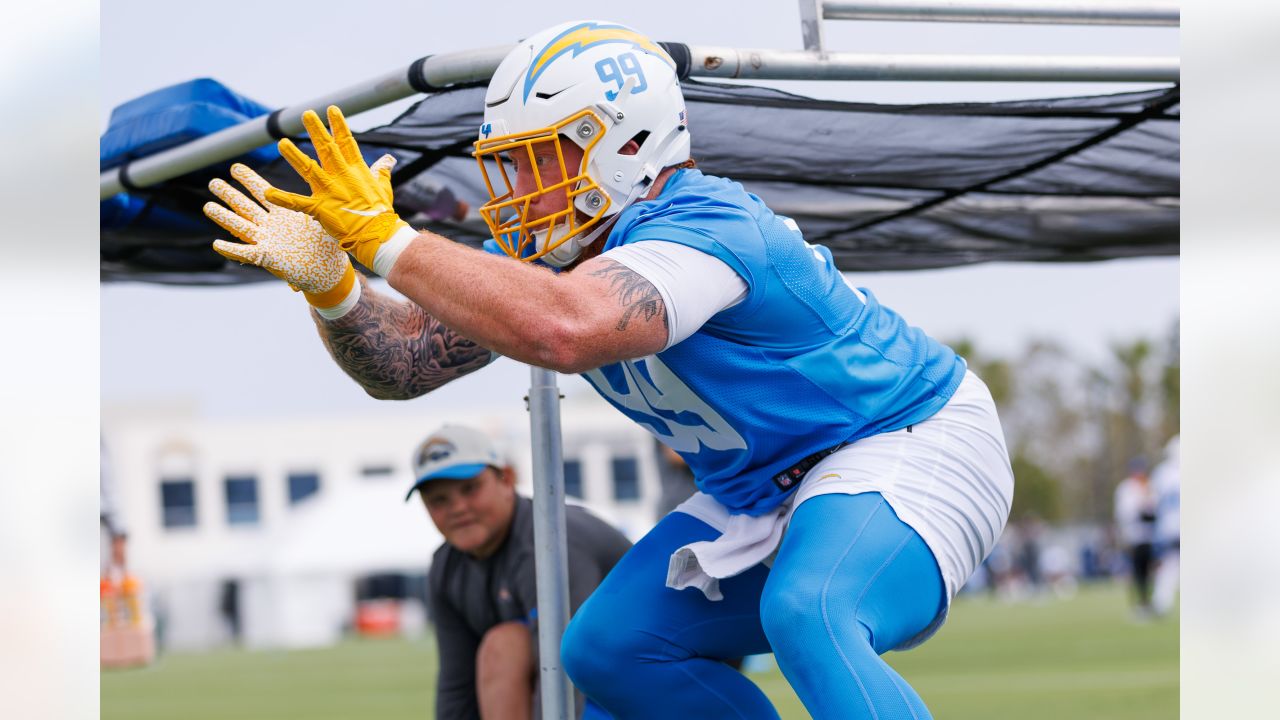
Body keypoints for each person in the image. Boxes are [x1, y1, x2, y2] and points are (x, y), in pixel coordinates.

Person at [203, 20, 1014, 719]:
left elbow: (567, 329)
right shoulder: (558, 252)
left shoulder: (709, 226)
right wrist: (337, 289)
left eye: (540, 157)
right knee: (611, 648)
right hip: (761, 488)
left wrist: (390, 243)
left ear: (624, 143)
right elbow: (405, 364)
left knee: (812, 610)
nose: (518, 185)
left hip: (904, 437)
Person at [409, 425, 631, 720]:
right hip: (590, 687)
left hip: (640, 690)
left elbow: (568, 672)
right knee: (504, 646)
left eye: (470, 488)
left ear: (507, 479)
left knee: (505, 646)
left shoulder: (554, 542)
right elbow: (456, 684)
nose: (458, 508)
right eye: (439, 500)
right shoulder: (446, 567)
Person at [1113, 455, 1157, 618]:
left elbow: (1154, 510)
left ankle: (1148, 602)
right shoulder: (1126, 489)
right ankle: (1138, 604)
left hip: (1149, 537)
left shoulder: (1150, 487)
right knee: (1135, 572)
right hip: (1133, 537)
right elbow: (1125, 513)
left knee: (1149, 572)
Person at [1150, 435, 1180, 616]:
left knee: (1170, 564)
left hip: (1168, 527)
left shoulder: (1162, 473)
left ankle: (1161, 602)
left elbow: (1153, 502)